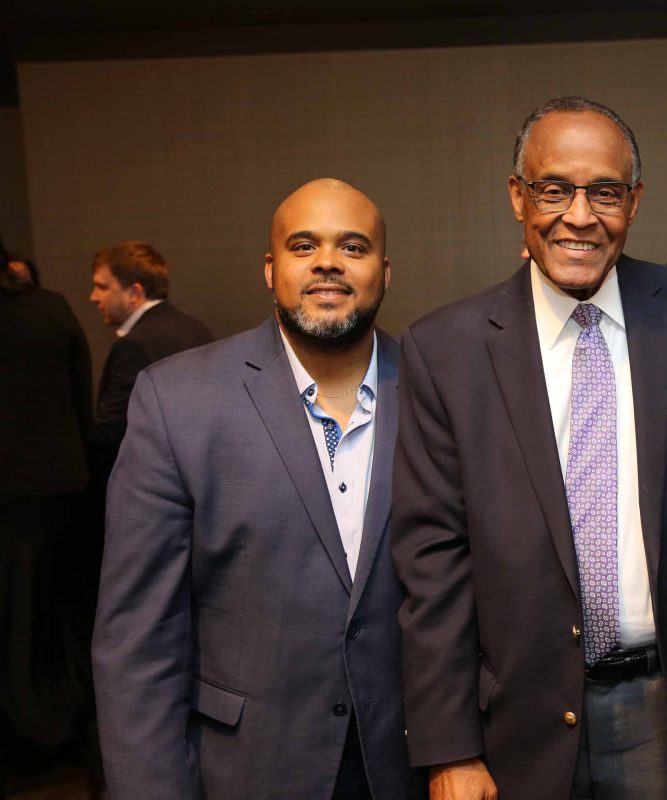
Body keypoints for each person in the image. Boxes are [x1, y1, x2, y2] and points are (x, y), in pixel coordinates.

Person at [391, 96, 667, 800]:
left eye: (605, 192)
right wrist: (449, 747)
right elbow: (433, 562)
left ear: (634, 202)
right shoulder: (445, 349)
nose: (579, 216)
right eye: (554, 190)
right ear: (517, 197)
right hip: (516, 721)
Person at [92, 179, 423, 799]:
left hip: (406, 767)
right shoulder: (177, 399)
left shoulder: (436, 393)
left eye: (353, 246)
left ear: (384, 272)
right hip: (247, 768)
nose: (327, 262)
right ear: (271, 270)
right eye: (304, 246)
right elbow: (138, 641)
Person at [0, 242, 92, 792]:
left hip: (11, 494)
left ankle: (28, 741)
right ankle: (64, 731)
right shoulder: (50, 308)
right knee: (57, 617)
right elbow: (80, 395)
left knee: (15, 628)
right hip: (63, 486)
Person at [88, 241, 213, 473]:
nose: (93, 297)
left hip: (150, 476)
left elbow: (114, 430)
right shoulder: (195, 328)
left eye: (102, 287)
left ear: (134, 293)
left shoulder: (133, 345)